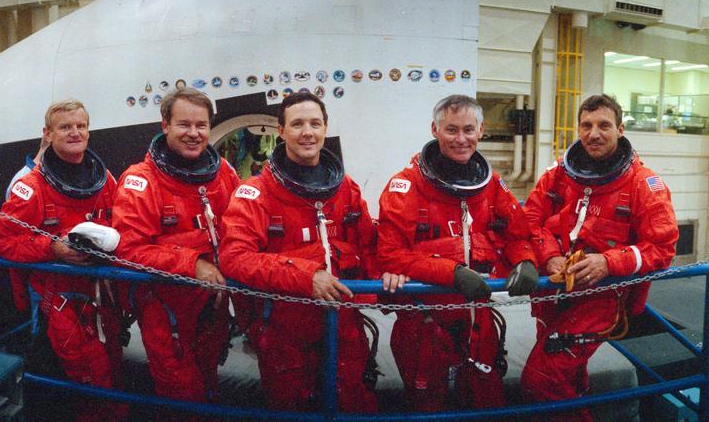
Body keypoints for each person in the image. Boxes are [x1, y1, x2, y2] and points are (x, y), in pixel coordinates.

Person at [218, 92, 380, 413]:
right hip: (284, 330)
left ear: (325, 128)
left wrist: (391, 282)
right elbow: (235, 257)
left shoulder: (345, 188)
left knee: (351, 402)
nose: (307, 132)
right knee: (292, 408)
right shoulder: (256, 193)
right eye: (297, 124)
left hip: (343, 324)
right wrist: (308, 276)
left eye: (315, 123)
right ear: (281, 131)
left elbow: (370, 245)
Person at [376, 94, 538, 411]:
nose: (460, 139)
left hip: (478, 317)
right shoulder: (406, 186)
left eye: (468, 130)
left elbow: (517, 233)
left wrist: (525, 260)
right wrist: (451, 273)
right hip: (424, 321)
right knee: (427, 405)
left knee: (484, 398)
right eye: (451, 130)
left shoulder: (491, 184)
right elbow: (389, 255)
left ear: (481, 130)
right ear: (434, 130)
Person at [522, 94, 679, 421]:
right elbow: (530, 220)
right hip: (553, 292)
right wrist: (550, 257)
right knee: (568, 376)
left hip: (603, 297)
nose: (594, 133)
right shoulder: (560, 174)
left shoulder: (643, 184)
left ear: (620, 130)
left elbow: (662, 248)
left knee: (541, 376)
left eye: (604, 125)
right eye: (586, 125)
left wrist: (609, 262)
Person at [0, 99, 126, 422]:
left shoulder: (104, 179)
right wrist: (53, 248)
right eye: (65, 127)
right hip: (59, 307)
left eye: (81, 126)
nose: (75, 133)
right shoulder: (31, 188)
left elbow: (123, 225)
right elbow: (4, 242)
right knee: (74, 389)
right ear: (47, 134)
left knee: (110, 376)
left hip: (102, 300)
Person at [109, 87, 241, 406]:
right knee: (180, 393)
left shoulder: (223, 173)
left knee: (208, 382)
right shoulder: (141, 181)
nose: (194, 134)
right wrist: (193, 264)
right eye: (184, 125)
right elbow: (127, 250)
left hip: (214, 304)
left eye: (202, 126)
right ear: (165, 124)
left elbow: (243, 230)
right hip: (165, 307)